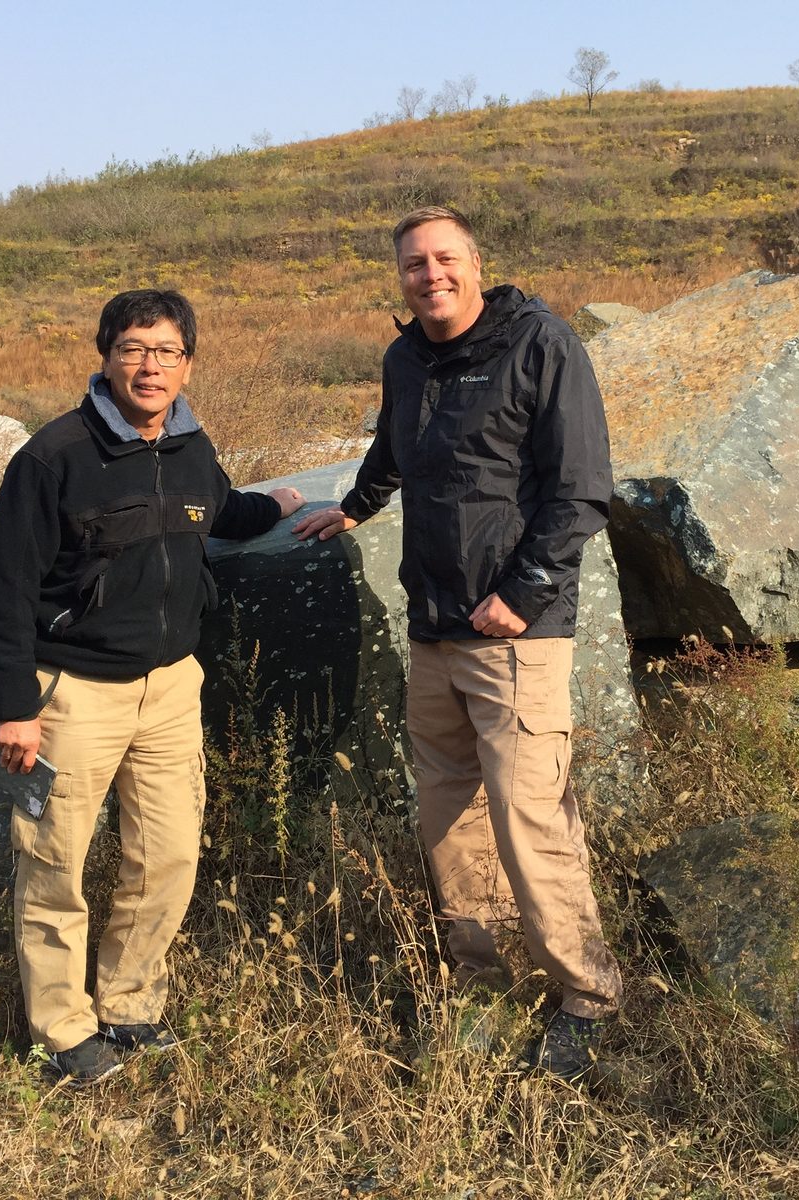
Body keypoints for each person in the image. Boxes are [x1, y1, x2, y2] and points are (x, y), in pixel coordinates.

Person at [293, 206, 623, 1081]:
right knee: (449, 819)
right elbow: (394, 445)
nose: (429, 275)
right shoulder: (407, 357)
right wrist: (357, 505)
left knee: (530, 819)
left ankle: (587, 998)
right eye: (413, 264)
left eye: (444, 259)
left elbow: (583, 491)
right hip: (434, 627)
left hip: (514, 633)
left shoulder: (541, 344)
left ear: (477, 264)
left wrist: (520, 594)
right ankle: (485, 984)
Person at [0, 289, 303, 1086]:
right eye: (132, 349)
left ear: (187, 362)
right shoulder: (53, 458)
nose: (149, 367)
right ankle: (62, 1030)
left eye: (165, 351)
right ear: (106, 356)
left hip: (169, 690)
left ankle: (130, 1005)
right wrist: (15, 707)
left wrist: (285, 504)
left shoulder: (190, 443)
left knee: (167, 854)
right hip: (72, 694)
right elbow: (3, 590)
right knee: (54, 863)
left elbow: (219, 508)